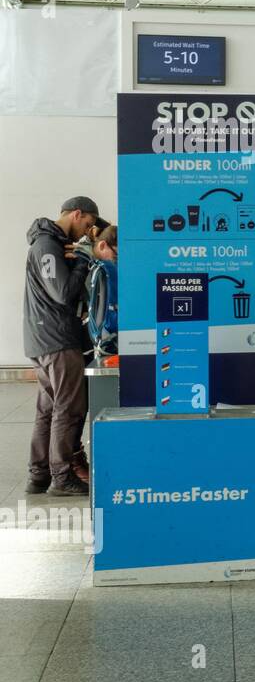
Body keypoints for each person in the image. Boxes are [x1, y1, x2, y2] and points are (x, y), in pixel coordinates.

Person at [25, 196, 101, 496]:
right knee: (69, 408)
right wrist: (83, 261)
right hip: (56, 339)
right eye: (87, 224)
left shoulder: (48, 244)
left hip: (42, 338)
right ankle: (61, 477)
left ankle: (38, 476)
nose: (86, 232)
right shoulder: (46, 246)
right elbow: (63, 294)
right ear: (76, 213)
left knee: (48, 409)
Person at [85, 225, 118, 358]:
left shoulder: (90, 263)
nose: (116, 260)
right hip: (106, 336)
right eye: (116, 255)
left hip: (98, 337)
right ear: (103, 245)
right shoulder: (103, 267)